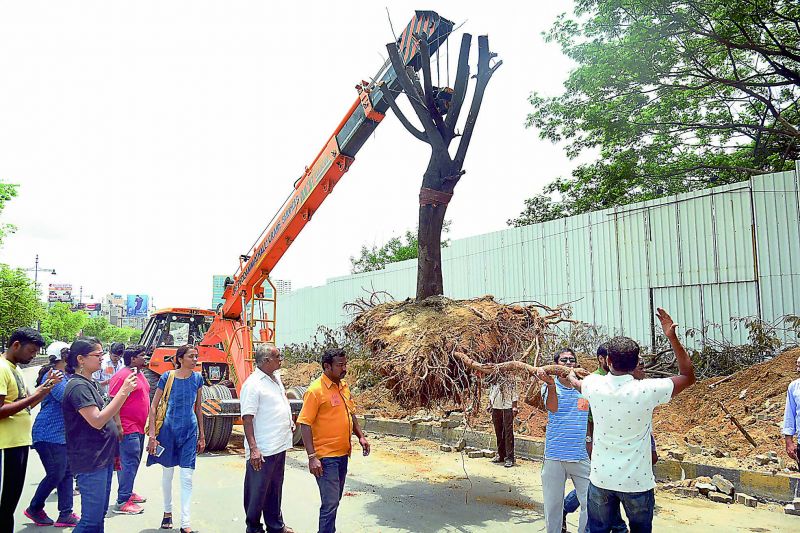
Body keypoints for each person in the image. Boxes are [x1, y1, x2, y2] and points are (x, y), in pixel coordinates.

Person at [568, 309, 695, 533]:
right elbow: (687, 376)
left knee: (597, 529)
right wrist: (672, 338)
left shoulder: (593, 385)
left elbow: (576, 382)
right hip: (637, 481)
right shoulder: (648, 389)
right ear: (637, 361)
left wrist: (568, 374)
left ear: (607, 360)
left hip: (601, 480)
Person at [62, 337, 137, 533]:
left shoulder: (90, 382)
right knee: (90, 521)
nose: (102, 358)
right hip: (90, 460)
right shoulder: (78, 387)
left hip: (102, 458)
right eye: (97, 355)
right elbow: (96, 420)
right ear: (81, 359)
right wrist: (123, 392)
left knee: (98, 518)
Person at [297, 348, 370, 533]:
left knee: (335, 501)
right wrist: (312, 457)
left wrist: (360, 436)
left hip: (343, 455)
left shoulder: (343, 386)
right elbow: (305, 424)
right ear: (327, 366)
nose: (344, 368)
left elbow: (350, 414)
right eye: (340, 365)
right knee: (329, 504)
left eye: (345, 364)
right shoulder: (315, 391)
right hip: (326, 458)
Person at [0, 327, 56, 532]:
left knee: (10, 502)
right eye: (31, 351)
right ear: (16, 345)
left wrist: (43, 391)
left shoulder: (14, 369)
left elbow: (24, 405)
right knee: (4, 502)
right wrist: (36, 395)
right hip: (6, 445)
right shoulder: (2, 368)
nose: (33, 356)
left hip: (18, 442)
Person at [146, 344, 206, 533]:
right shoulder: (167, 377)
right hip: (168, 431)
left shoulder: (197, 378)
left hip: (190, 431)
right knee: (168, 473)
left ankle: (186, 523)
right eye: (191, 356)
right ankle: (167, 511)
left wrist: (202, 436)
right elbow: (154, 406)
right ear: (180, 359)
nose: (195, 360)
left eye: (196, 356)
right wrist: (153, 436)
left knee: (187, 476)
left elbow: (198, 408)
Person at [240, 344, 295, 533]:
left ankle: (275, 526)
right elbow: (247, 418)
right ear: (265, 361)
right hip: (263, 449)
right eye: (277, 357)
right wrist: (254, 448)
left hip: (279, 444)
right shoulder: (253, 384)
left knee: (274, 489)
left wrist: (289, 421)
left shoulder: (275, 378)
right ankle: (254, 528)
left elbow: (280, 402)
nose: (280, 360)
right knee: (257, 492)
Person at [24, 348, 80, 527]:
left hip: (62, 436)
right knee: (56, 473)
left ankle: (65, 514)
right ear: (63, 356)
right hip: (48, 434)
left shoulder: (64, 375)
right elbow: (68, 398)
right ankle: (34, 508)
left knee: (66, 473)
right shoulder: (54, 375)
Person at [537, 347, 590, 533]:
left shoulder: (585, 388)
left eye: (571, 360)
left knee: (590, 502)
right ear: (556, 364)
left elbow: (589, 416)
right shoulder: (549, 386)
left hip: (580, 455)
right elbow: (552, 408)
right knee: (553, 505)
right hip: (555, 456)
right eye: (563, 360)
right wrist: (551, 385)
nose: (568, 363)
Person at [109, 344, 151, 514]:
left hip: (139, 427)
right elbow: (113, 401)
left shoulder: (138, 374)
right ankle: (122, 501)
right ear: (133, 359)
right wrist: (118, 425)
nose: (146, 358)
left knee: (131, 462)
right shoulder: (122, 376)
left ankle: (127, 491)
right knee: (129, 462)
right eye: (142, 356)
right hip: (127, 427)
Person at [487, 374, 518, 467]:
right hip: (496, 408)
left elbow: (515, 394)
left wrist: (514, 406)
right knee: (498, 433)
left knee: (508, 433)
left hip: (507, 408)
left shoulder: (510, 381)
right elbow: (491, 394)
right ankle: (501, 455)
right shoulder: (494, 381)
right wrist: (490, 405)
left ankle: (509, 458)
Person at [782, 352, 800, 469]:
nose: (798, 370)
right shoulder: (794, 387)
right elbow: (790, 414)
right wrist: (789, 441)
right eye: (798, 366)